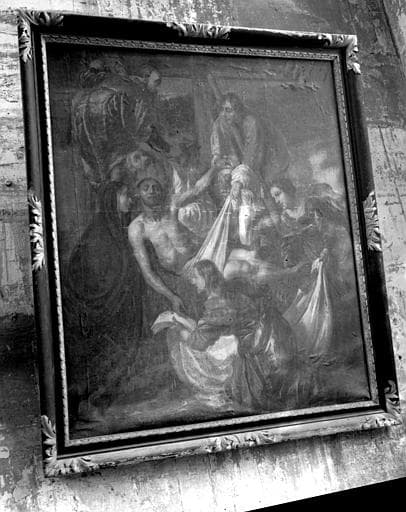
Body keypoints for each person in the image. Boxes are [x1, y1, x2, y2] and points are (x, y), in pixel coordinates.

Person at [63, 180, 143, 423]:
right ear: (111, 200)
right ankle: (91, 404)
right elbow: (92, 277)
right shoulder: (99, 235)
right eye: (125, 195)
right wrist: (118, 289)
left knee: (123, 353)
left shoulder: (118, 228)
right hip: (104, 312)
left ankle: (98, 403)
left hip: (122, 309)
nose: (130, 199)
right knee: (106, 357)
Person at [128, 153, 216, 316]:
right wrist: (171, 297)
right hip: (180, 275)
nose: (151, 191)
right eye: (146, 188)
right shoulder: (137, 228)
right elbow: (147, 272)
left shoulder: (172, 205)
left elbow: (198, 189)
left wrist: (215, 167)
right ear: (138, 193)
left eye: (155, 187)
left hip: (201, 258)